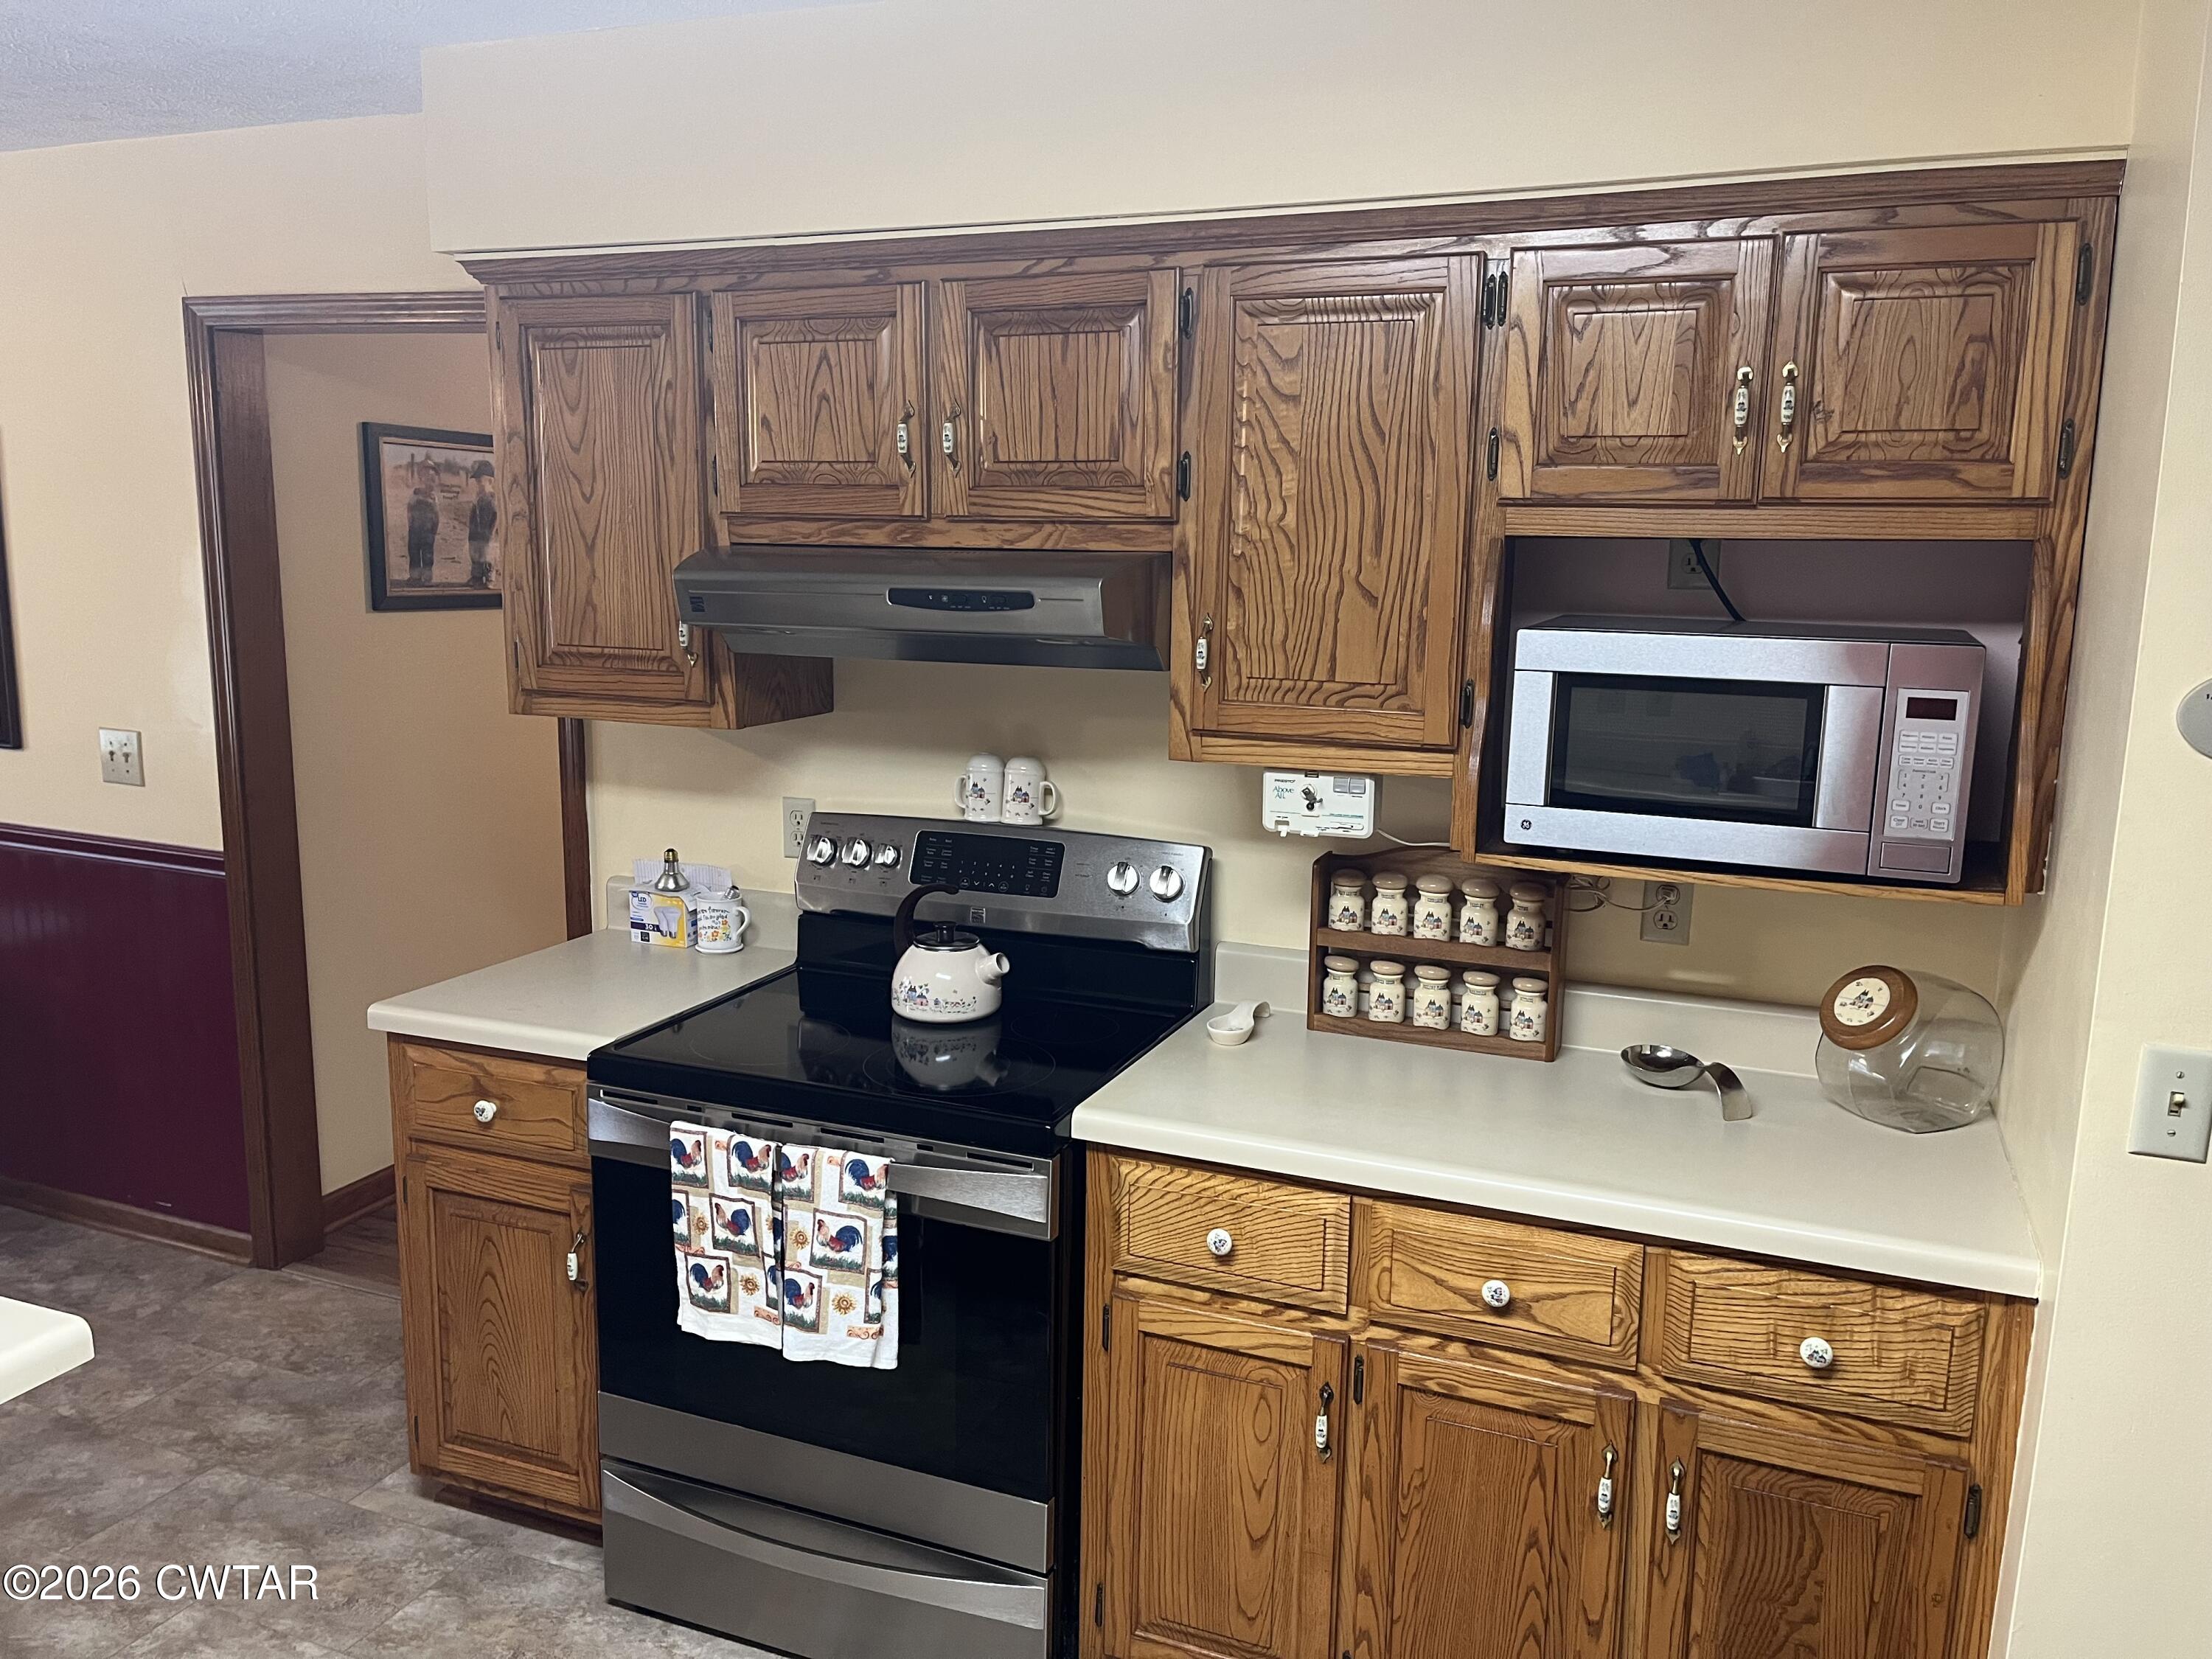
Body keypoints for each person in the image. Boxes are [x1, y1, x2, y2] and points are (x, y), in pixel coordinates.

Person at [466, 462, 498, 588]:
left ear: (490, 481)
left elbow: (496, 516)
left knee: (487, 555)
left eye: (481, 482)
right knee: (475, 553)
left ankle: (489, 578)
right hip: (476, 533)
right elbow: (473, 513)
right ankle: (477, 577)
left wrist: (492, 531)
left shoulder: (492, 497)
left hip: (487, 533)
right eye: (477, 482)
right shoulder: (478, 497)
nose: (479, 485)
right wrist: (471, 528)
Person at [404, 483, 439, 582]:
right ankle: (415, 577)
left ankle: (427, 578)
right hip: (415, 529)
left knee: (428, 554)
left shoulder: (433, 499)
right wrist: (410, 524)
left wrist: (435, 529)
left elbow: (437, 515)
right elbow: (409, 511)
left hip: (428, 531)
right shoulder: (414, 497)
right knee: (414, 552)